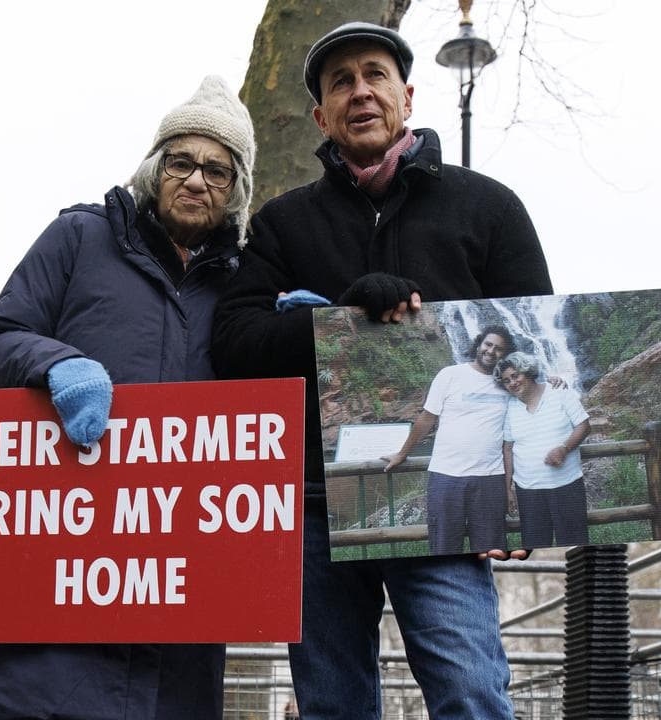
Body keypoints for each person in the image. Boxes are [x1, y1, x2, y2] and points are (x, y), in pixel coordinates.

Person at [212, 21, 552, 719]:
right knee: (332, 703)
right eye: (341, 82)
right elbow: (235, 341)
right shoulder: (280, 225)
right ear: (320, 115)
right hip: (314, 502)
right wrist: (338, 321)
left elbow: (533, 353)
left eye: (374, 75)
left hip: (449, 492)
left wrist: (522, 500)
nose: (359, 91)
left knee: (471, 691)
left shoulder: (489, 207)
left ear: (407, 96)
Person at [0, 75, 255, 720]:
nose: (197, 181)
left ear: (237, 194)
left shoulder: (248, 284)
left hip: (176, 598)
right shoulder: (79, 238)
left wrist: (302, 331)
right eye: (182, 162)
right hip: (53, 580)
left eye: (218, 171)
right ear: (152, 168)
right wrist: (59, 363)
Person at [382, 325, 518, 556]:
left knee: (490, 550)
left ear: (505, 355)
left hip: (490, 479)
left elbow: (534, 392)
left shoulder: (508, 384)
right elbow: (426, 419)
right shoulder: (450, 374)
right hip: (446, 476)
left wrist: (554, 382)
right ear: (479, 344)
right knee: (444, 549)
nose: (491, 351)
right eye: (488, 344)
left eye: (499, 349)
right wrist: (402, 454)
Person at [496, 352, 592, 548]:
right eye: (506, 381)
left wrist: (564, 449)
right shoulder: (510, 407)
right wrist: (507, 489)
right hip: (528, 492)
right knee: (536, 547)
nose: (512, 383)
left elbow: (584, 425)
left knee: (575, 545)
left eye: (515, 376)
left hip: (567, 486)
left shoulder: (558, 392)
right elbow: (508, 448)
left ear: (528, 372)